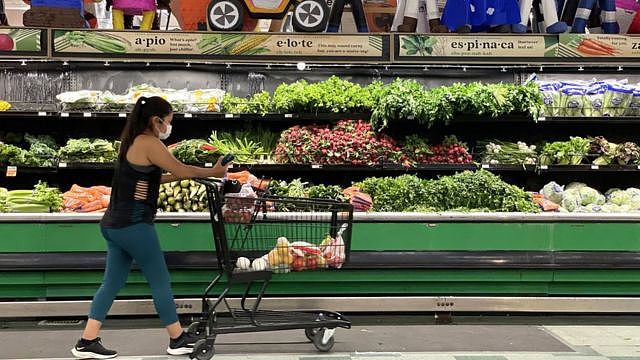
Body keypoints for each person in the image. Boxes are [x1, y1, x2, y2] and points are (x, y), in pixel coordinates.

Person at [71, 96, 230, 359]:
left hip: (114, 224)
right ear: (156, 121)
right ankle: (177, 339)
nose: (169, 127)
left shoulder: (132, 141)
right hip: (133, 226)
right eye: (167, 122)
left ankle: (86, 341)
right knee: (159, 280)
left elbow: (160, 175)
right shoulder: (149, 142)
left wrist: (200, 173)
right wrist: (212, 173)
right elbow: (178, 168)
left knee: (112, 283)